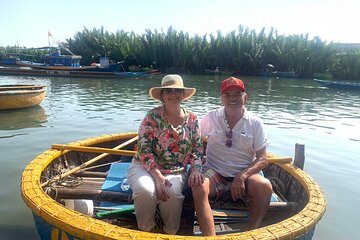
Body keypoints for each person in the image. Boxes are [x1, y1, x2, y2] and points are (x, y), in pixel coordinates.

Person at [191, 76, 272, 235]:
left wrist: (241, 177)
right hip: (215, 172)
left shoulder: (255, 123)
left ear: (245, 98)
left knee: (265, 186)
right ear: (221, 98)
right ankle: (210, 237)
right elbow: (195, 143)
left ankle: (251, 233)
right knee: (198, 185)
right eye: (227, 95)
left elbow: (263, 158)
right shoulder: (211, 117)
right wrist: (195, 166)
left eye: (237, 94)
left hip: (244, 175)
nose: (232, 98)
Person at [127, 74, 204, 234]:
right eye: (168, 91)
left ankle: (170, 232)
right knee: (145, 191)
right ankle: (147, 229)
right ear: (162, 95)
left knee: (172, 194)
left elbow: (197, 148)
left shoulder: (193, 118)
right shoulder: (152, 116)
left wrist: (196, 169)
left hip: (176, 170)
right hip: (145, 166)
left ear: (183, 95)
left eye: (177, 90)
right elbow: (144, 150)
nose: (173, 94)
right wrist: (158, 176)